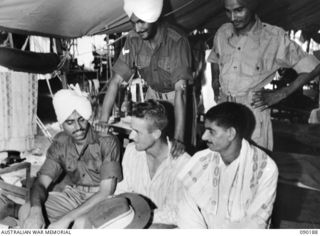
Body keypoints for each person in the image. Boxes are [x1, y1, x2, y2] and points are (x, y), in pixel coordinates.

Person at [207, 0, 320, 150]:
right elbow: (215, 57)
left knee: (253, 167)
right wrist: (215, 81)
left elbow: (313, 67)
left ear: (252, 5)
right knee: (222, 166)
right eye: (228, 11)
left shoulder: (273, 37)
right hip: (224, 112)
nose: (232, 17)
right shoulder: (223, 32)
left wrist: (281, 93)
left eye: (239, 10)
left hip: (252, 115)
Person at [99, 0, 194, 157]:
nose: (138, 28)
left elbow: (181, 91)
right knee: (149, 147)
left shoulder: (177, 40)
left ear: (154, 17)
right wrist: (103, 120)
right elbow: (115, 81)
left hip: (176, 98)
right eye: (133, 22)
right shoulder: (133, 39)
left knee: (176, 153)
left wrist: (179, 138)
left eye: (142, 22)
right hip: (153, 96)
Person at [18, 88, 122, 229]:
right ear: (61, 123)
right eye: (70, 122)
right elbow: (41, 182)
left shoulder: (107, 141)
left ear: (87, 118)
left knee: (79, 225)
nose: (78, 127)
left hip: (101, 199)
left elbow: (106, 191)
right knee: (26, 210)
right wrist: (36, 211)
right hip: (74, 195)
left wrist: (66, 219)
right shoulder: (61, 143)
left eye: (81, 120)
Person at [77, 100, 191, 228]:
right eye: (132, 129)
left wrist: (139, 216)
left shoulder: (183, 163)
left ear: (156, 134)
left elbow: (177, 214)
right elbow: (122, 191)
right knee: (82, 222)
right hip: (132, 220)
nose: (131, 136)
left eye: (137, 132)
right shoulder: (132, 151)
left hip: (165, 226)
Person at [177, 102, 278, 228]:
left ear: (231, 133)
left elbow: (256, 222)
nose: (203, 137)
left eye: (211, 132)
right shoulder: (200, 160)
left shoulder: (264, 168)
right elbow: (187, 210)